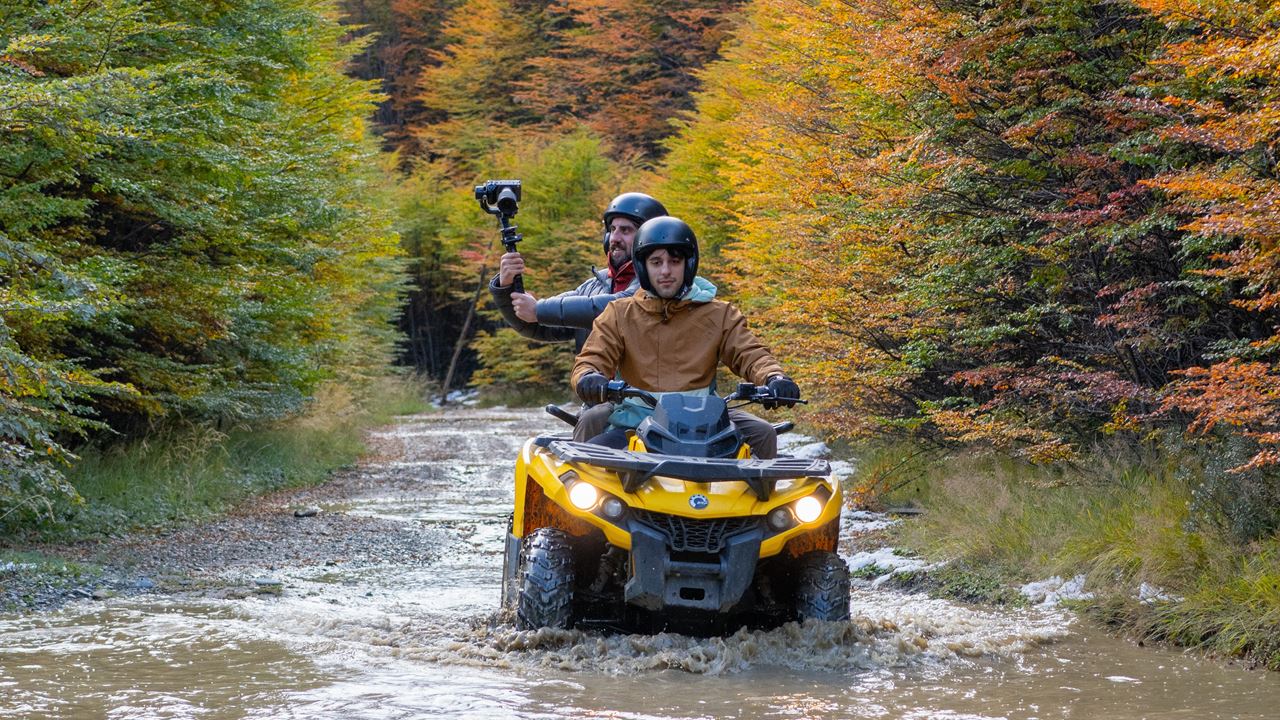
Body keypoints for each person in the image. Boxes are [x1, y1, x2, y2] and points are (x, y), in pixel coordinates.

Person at [570, 217, 801, 458]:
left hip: (707, 421)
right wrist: (589, 377)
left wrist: (774, 378)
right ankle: (580, 494)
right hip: (633, 420)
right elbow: (593, 356)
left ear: (688, 264)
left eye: (675, 261)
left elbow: (750, 354)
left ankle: (763, 495)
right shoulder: (619, 313)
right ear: (643, 267)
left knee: (763, 433)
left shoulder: (720, 314)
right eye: (656, 262)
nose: (666, 270)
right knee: (589, 456)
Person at [488, 192, 668, 351]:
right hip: (595, 389)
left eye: (626, 230)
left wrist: (539, 309)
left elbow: (622, 306)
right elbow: (535, 325)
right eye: (612, 230)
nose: (615, 238)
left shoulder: (661, 282)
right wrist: (507, 286)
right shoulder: (594, 286)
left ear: (648, 238)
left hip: (646, 389)